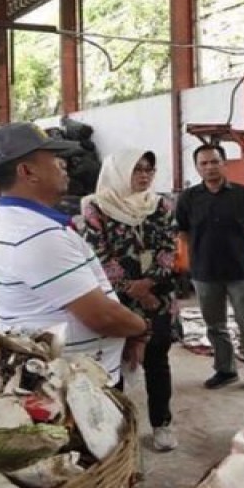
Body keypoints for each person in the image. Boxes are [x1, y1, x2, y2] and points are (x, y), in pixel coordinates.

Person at [0, 122, 148, 387]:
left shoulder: (17, 222)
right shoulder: (36, 235)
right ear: (27, 171)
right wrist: (140, 329)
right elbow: (102, 317)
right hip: (71, 386)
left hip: (69, 375)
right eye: (54, 159)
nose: (64, 164)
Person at [80, 149, 180, 452]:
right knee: (114, 364)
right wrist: (131, 287)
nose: (144, 175)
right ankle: (120, 430)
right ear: (120, 171)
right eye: (137, 169)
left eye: (149, 169)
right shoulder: (96, 207)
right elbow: (98, 255)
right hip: (116, 300)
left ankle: (161, 424)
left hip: (158, 298)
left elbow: (169, 248)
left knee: (157, 362)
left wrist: (149, 285)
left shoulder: (161, 204)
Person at [175, 143, 244, 395]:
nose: (209, 167)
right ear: (197, 168)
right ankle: (225, 369)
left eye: (214, 162)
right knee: (215, 326)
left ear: (224, 163)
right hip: (205, 272)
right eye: (203, 163)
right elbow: (183, 232)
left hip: (242, 270)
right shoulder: (188, 198)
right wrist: (196, 255)